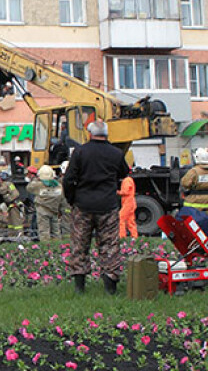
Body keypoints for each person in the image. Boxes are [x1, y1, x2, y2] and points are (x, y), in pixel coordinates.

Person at [62, 119, 130, 294]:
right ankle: (110, 288)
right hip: (107, 206)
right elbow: (124, 172)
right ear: (107, 134)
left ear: (90, 134)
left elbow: (68, 179)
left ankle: (79, 288)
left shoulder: (80, 152)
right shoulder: (116, 153)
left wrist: (72, 199)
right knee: (110, 246)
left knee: (80, 245)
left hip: (83, 205)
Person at [28, 165, 64, 240]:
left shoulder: (39, 185)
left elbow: (29, 188)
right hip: (54, 210)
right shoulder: (58, 186)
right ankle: (58, 248)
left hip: (42, 210)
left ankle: (46, 248)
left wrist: (36, 180)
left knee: (44, 232)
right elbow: (61, 197)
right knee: (56, 232)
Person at [180, 148, 208, 215]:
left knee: (193, 221)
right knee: (206, 220)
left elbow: (185, 183)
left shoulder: (194, 171)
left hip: (194, 199)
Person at [118, 171, 138, 239]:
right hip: (130, 202)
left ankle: (122, 236)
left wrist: (117, 192)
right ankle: (134, 237)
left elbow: (125, 192)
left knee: (121, 218)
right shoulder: (129, 179)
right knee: (130, 221)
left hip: (128, 203)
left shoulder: (126, 180)